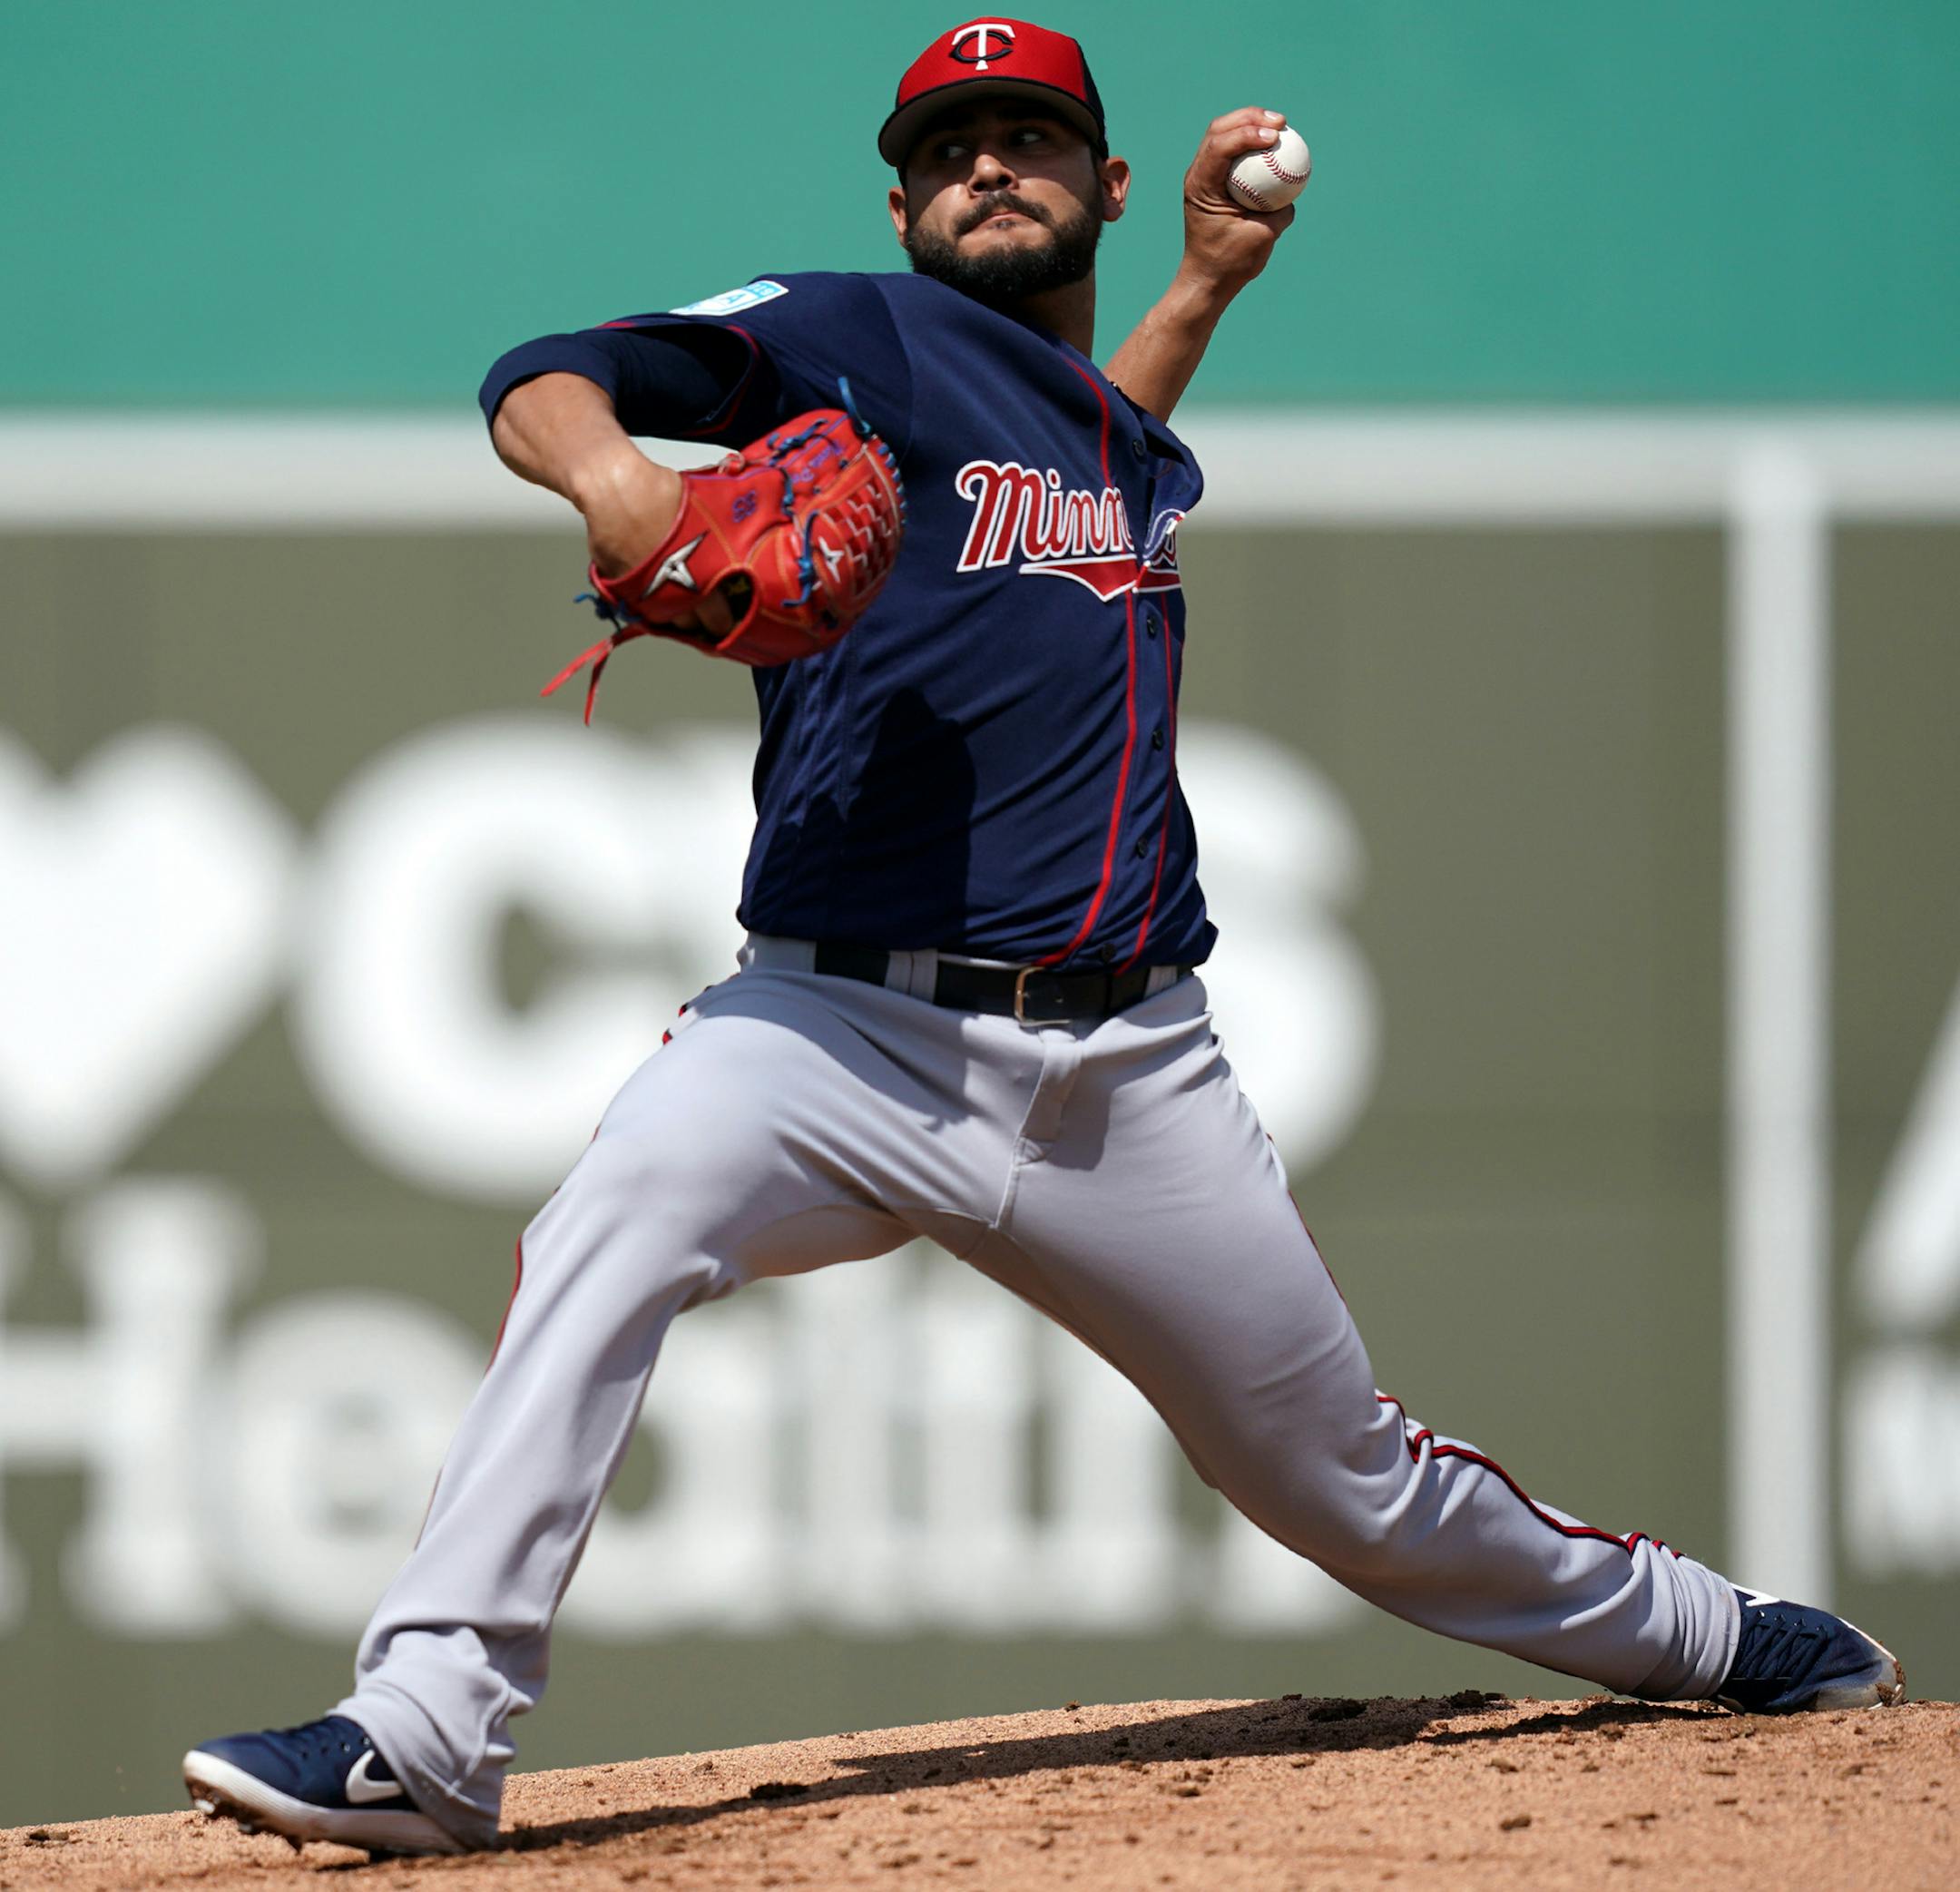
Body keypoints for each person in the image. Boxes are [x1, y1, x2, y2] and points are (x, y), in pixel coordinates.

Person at [182, 17, 1902, 1858]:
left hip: (1125, 1071)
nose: (984, 163)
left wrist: (1200, 290)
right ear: (902, 196)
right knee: (614, 1217)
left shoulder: (1123, 440)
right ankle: (430, 1723)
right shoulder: (850, 335)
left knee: (1341, 1481)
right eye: (946, 145)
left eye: (1026, 134)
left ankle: (1708, 1633)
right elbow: (550, 369)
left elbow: (1092, 452)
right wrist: (619, 478)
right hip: (830, 1035)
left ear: (1096, 175)